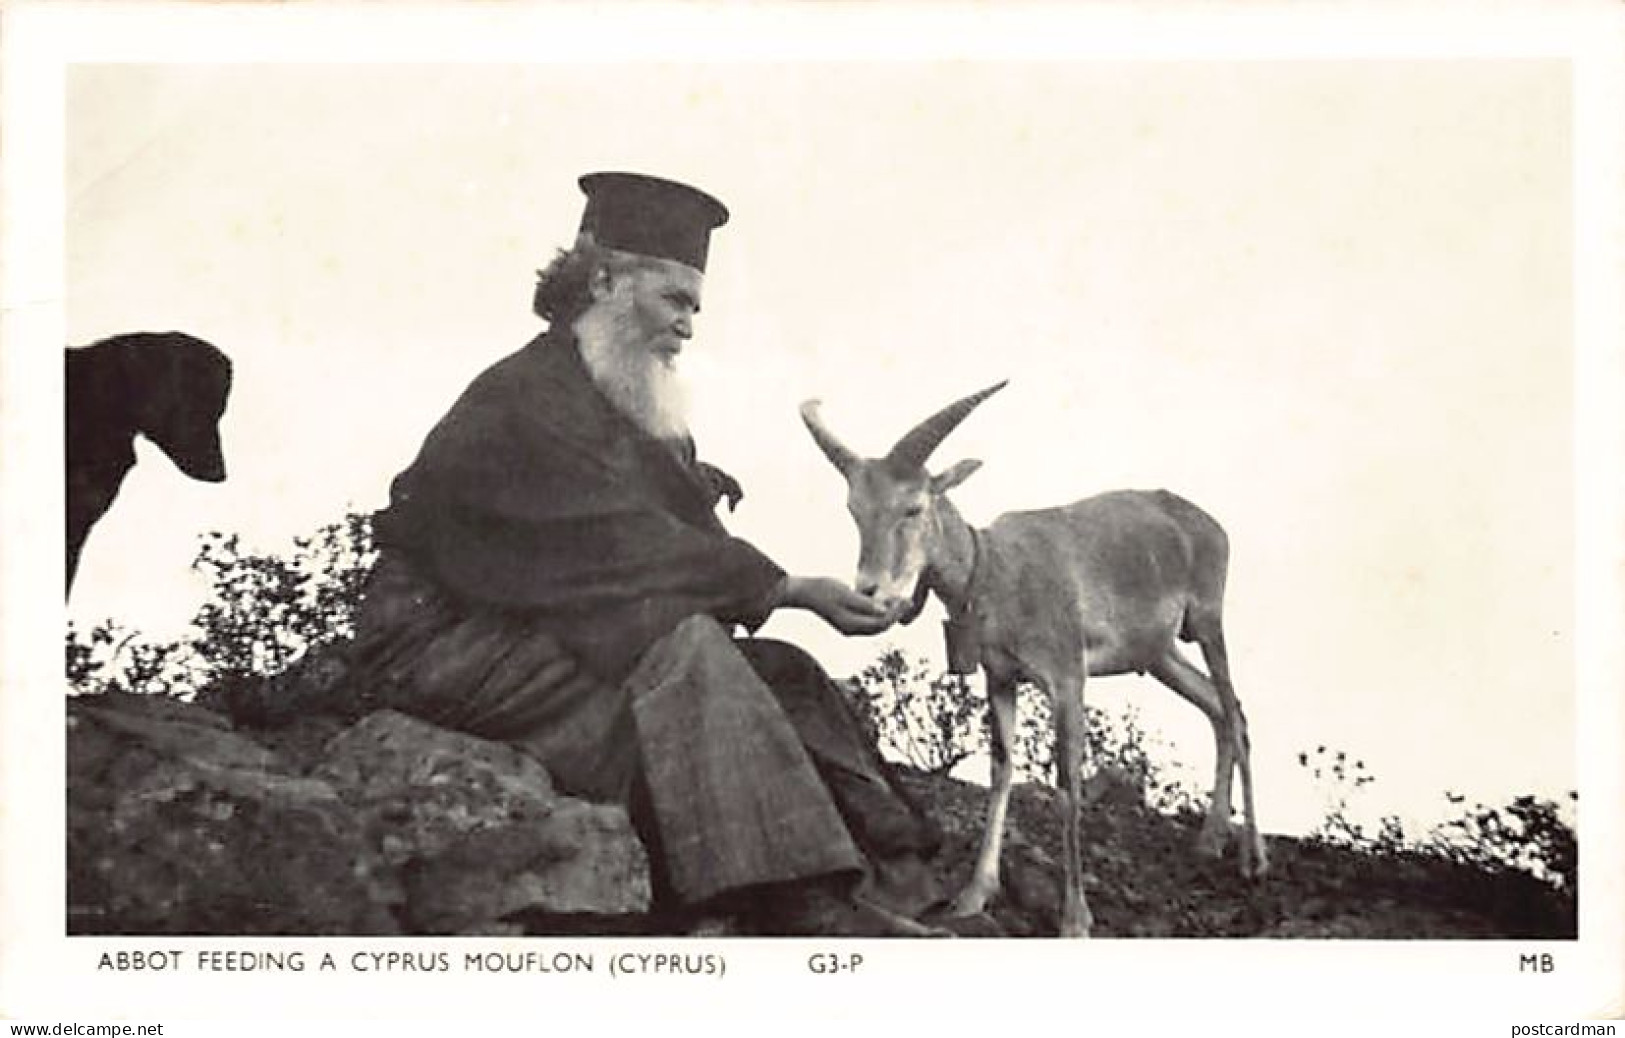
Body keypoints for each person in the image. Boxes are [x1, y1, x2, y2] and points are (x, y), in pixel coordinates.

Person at [351, 171, 944, 936]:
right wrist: (788, 588)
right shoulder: (521, 396)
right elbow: (618, 542)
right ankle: (793, 903)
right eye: (675, 299)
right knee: (684, 646)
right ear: (602, 280)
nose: (689, 326)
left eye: (695, 307)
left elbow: (673, 534)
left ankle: (895, 873)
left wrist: (760, 573)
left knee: (780, 674)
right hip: (438, 640)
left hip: (536, 627)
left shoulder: (617, 393)